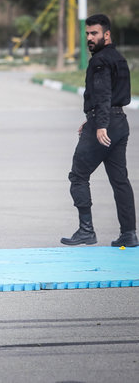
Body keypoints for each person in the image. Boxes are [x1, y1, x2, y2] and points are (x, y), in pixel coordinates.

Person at [61, 14, 137, 248]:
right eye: (87, 34)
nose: (90, 38)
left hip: (105, 124)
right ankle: (129, 234)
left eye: (94, 34)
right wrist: (93, 119)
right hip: (120, 122)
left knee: (78, 175)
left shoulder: (100, 61)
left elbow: (103, 94)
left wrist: (100, 124)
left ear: (107, 34)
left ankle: (86, 231)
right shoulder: (119, 58)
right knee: (120, 180)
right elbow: (114, 96)